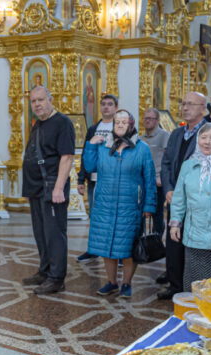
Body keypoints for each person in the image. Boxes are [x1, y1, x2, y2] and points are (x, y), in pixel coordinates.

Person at [83, 110, 156, 297]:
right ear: (113, 125)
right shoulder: (102, 146)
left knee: (128, 247)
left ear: (131, 125)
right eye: (117, 122)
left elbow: (149, 178)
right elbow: (90, 167)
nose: (121, 125)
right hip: (104, 205)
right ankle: (111, 282)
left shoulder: (142, 148)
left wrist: (149, 206)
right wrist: (90, 146)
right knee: (107, 246)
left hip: (130, 205)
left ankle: (126, 283)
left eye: (125, 122)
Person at [169, 123, 211, 291]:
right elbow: (179, 198)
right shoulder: (188, 165)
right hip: (195, 235)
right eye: (203, 137)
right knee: (195, 283)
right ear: (197, 139)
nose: (207, 142)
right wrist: (175, 224)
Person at [21, 85, 75, 294]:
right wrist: (28, 189)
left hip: (53, 186)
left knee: (54, 234)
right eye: (33, 101)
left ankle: (56, 278)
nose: (37, 104)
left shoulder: (62, 123)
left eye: (41, 100)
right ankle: (45, 271)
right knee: (41, 233)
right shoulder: (38, 124)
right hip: (37, 189)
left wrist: (59, 188)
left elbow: (67, 157)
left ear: (50, 99)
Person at [158, 92, 207, 299]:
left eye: (190, 104)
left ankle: (195, 284)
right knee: (174, 241)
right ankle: (175, 283)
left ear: (203, 108)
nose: (185, 107)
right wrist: (168, 189)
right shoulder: (177, 134)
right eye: (183, 103)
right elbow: (167, 163)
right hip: (175, 198)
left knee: (195, 243)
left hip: (198, 199)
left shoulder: (209, 133)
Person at [77, 94, 118, 262]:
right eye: (103, 104)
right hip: (94, 181)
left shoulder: (120, 127)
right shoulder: (93, 129)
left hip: (113, 181)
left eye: (110, 104)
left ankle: (118, 253)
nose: (106, 107)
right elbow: (86, 154)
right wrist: (81, 179)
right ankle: (93, 249)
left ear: (116, 107)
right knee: (95, 216)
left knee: (114, 216)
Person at [139, 107, 170, 262]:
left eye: (151, 118)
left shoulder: (164, 136)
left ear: (157, 120)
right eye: (146, 118)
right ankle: (143, 244)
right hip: (144, 181)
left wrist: (162, 178)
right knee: (143, 213)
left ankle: (156, 243)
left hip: (157, 181)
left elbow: (167, 159)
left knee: (157, 214)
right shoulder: (141, 138)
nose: (148, 121)